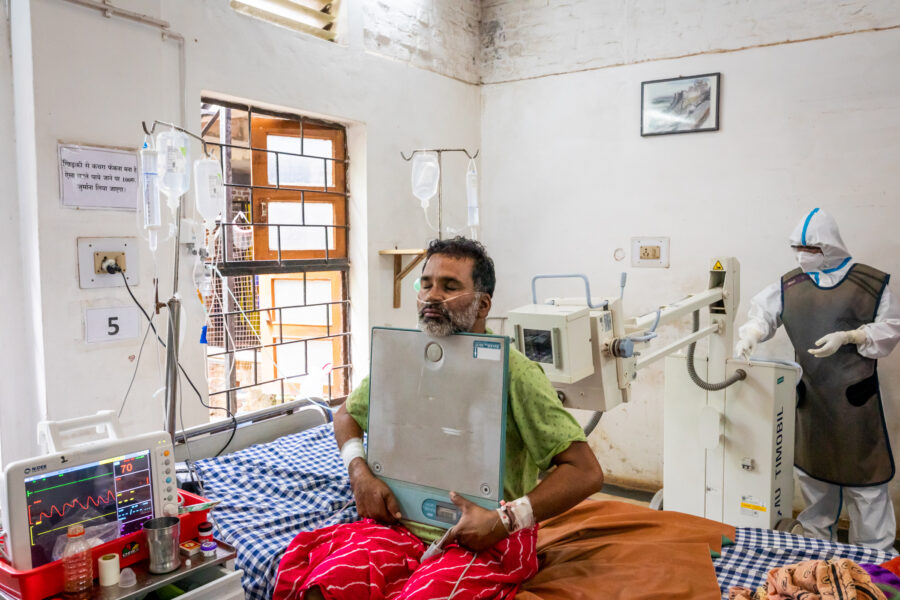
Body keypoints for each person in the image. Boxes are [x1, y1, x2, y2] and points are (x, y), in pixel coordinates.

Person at [273, 237, 605, 599]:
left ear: (483, 304)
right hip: (402, 524)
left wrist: (505, 520)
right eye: (426, 283)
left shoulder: (516, 375)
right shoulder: (402, 360)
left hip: (484, 538)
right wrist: (359, 473)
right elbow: (346, 415)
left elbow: (585, 471)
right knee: (324, 584)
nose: (432, 295)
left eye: (450, 286)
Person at [735, 208, 899, 552]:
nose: (801, 255)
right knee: (815, 479)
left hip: (857, 403)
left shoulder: (870, 284)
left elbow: (890, 329)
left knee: (865, 485)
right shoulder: (790, 285)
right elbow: (763, 314)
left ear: (830, 247)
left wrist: (852, 336)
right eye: (797, 247)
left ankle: (875, 563)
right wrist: (751, 333)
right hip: (811, 399)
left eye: (810, 249)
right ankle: (816, 553)